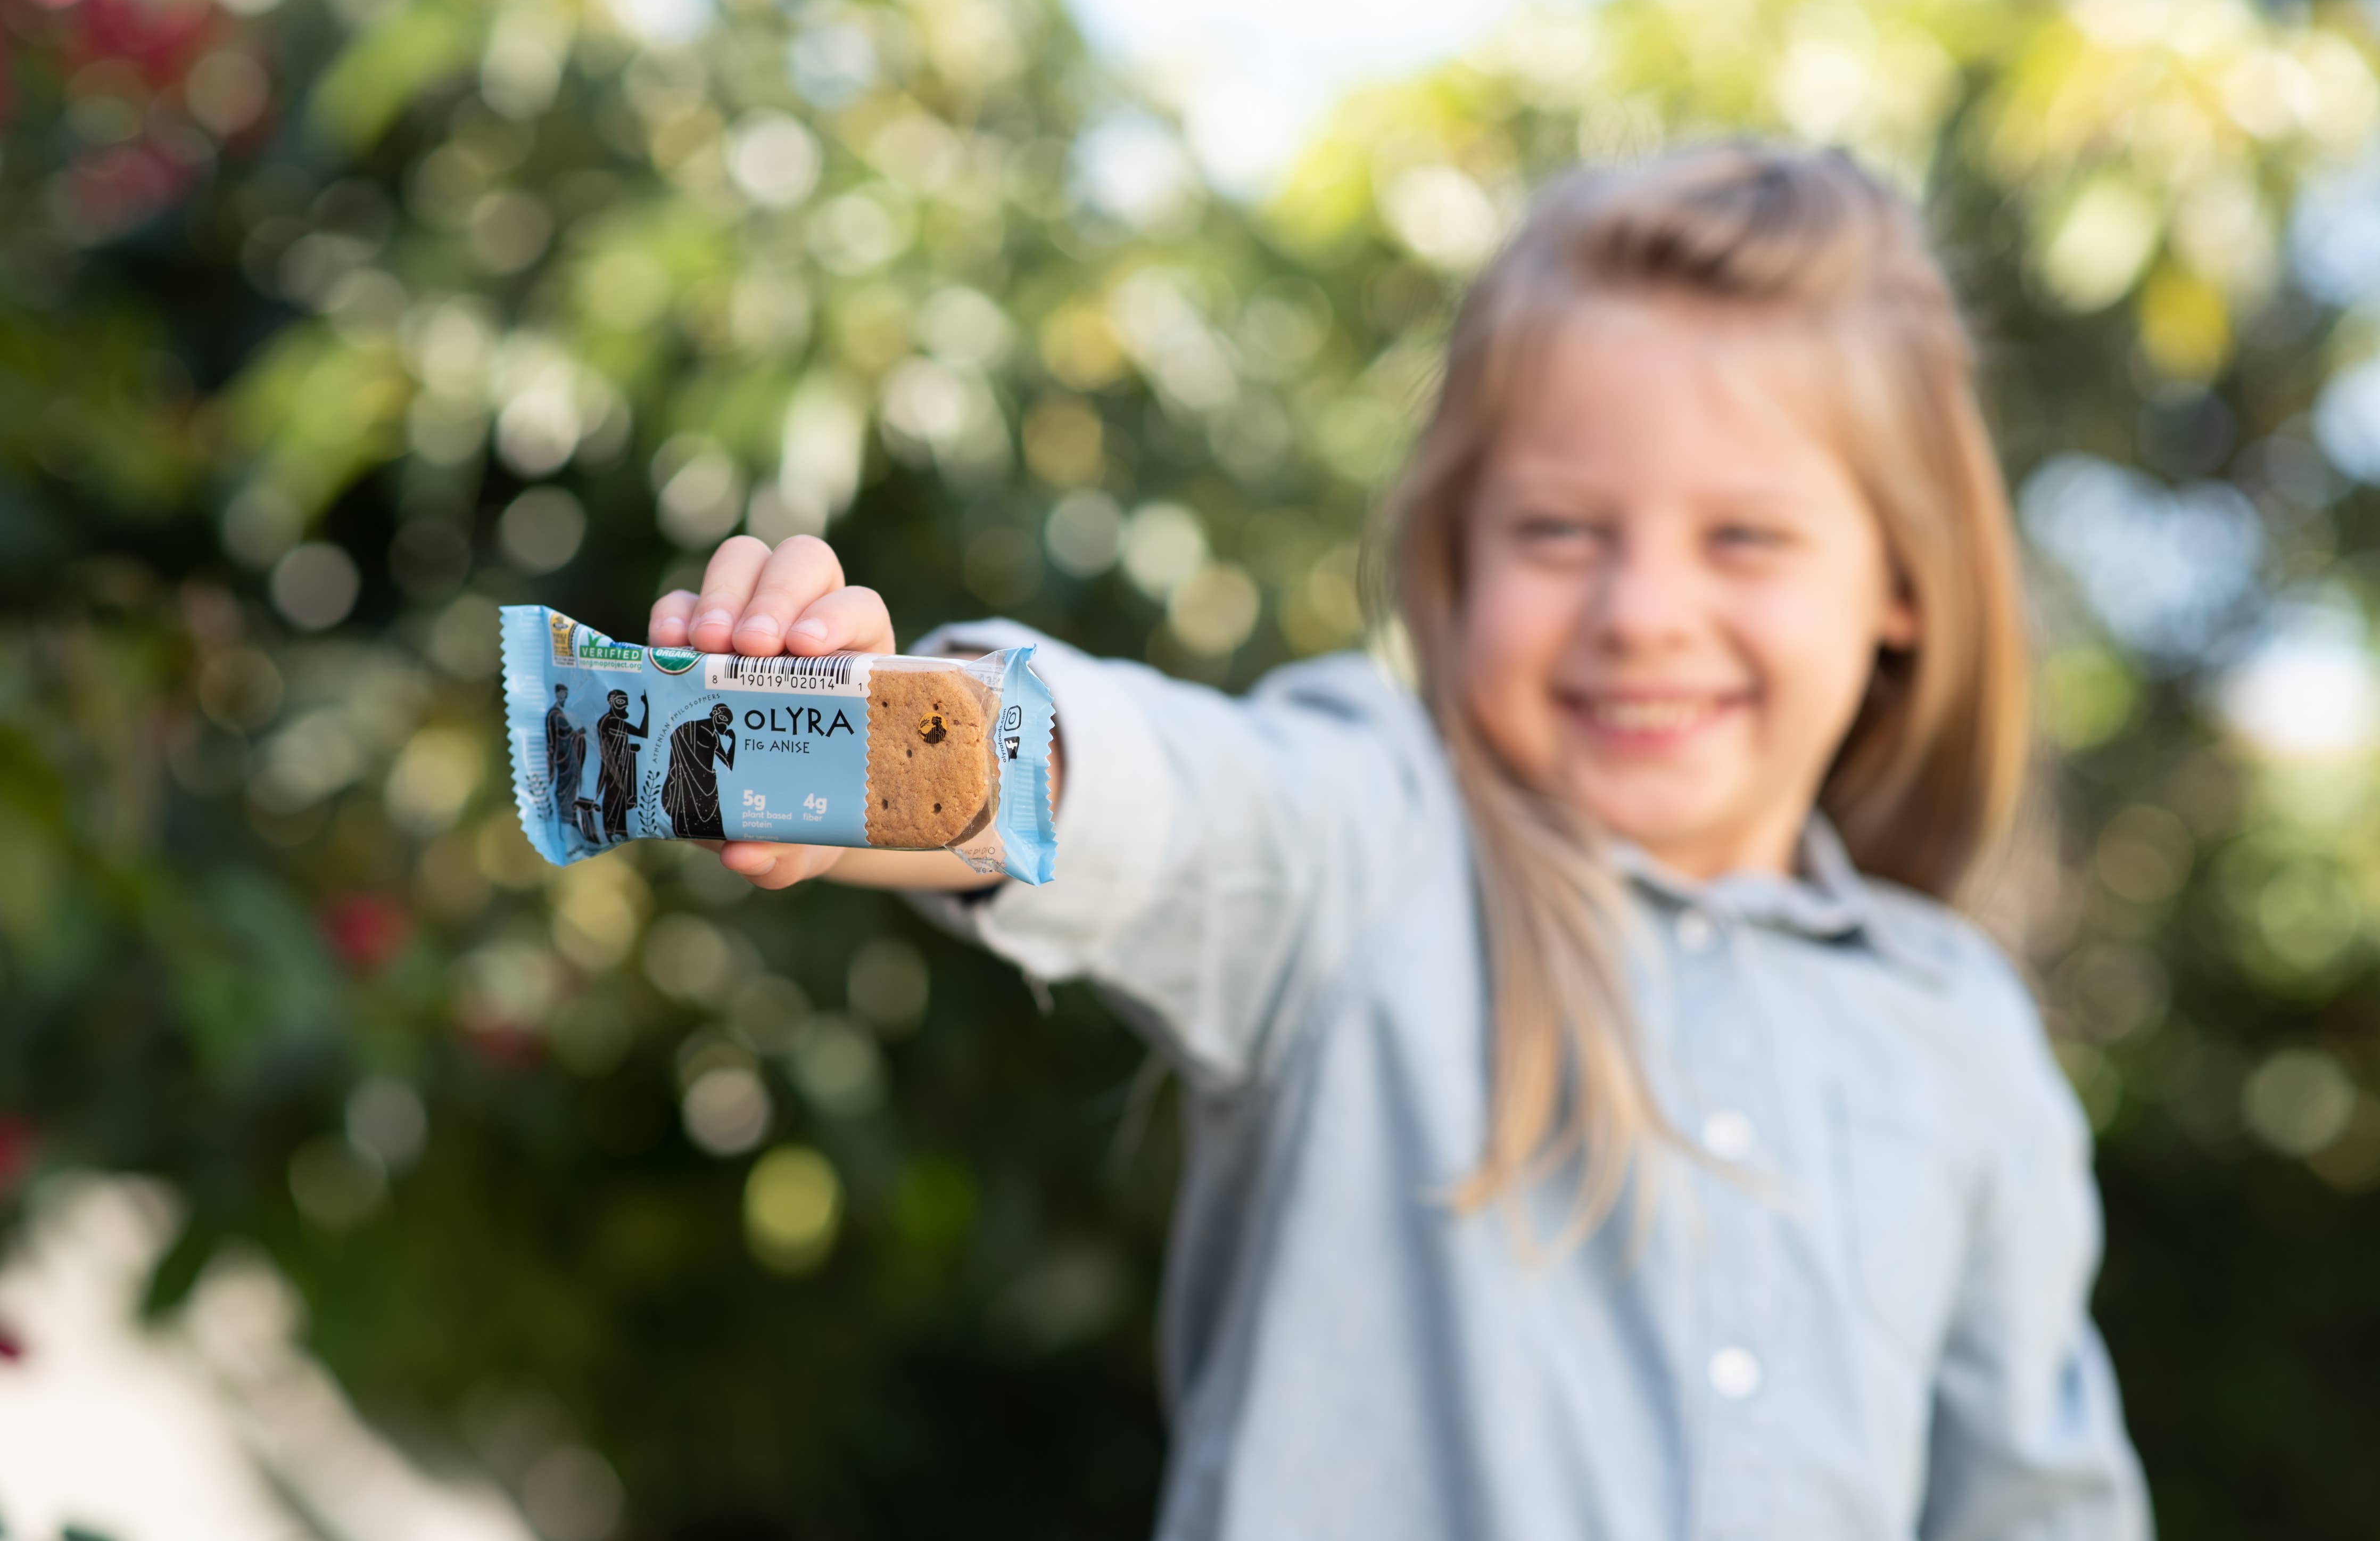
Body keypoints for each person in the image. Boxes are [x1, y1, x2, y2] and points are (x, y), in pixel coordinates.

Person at [646, 141, 2153, 1539]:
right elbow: (1167, 792)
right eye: (1561, 530)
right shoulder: (1373, 850)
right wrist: (828, 736)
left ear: (1903, 582)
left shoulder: (1963, 1043)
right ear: (1458, 554)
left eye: (1744, 539)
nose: (1644, 612)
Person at [662, 702, 737, 839]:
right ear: (715, 714)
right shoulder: (692, 726)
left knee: (714, 827)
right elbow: (676, 739)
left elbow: (728, 764)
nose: (724, 725)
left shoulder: (715, 737)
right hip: (688, 782)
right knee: (685, 820)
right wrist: (690, 766)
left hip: (708, 786)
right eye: (723, 719)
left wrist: (734, 742)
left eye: (727, 723)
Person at [594, 689, 647, 839]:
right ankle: (610, 829)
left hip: (624, 767)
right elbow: (606, 746)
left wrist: (647, 708)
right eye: (620, 702)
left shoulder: (620, 723)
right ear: (611, 702)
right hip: (611, 767)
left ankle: (619, 829)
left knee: (621, 799)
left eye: (625, 702)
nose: (623, 706)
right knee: (613, 797)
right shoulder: (607, 721)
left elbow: (643, 732)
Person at [543, 683, 586, 824]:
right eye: (561, 695)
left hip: (571, 752)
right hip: (562, 755)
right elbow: (559, 733)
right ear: (556, 695)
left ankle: (571, 811)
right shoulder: (554, 714)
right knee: (564, 782)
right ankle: (564, 812)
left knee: (573, 780)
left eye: (565, 695)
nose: (564, 697)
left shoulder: (566, 712)